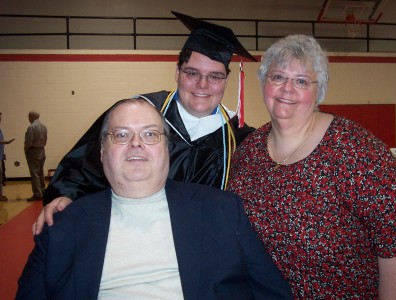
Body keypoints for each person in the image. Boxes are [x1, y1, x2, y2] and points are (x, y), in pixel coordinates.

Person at [16, 98, 293, 300]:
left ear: (167, 150)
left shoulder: (222, 210)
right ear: (101, 153)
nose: (136, 143)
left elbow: (273, 292)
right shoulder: (62, 226)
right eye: (121, 135)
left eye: (150, 134)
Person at [227, 35, 396, 299]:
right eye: (278, 77)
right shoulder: (248, 154)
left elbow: (395, 244)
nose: (287, 89)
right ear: (264, 82)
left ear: (320, 90)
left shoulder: (357, 151)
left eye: (301, 81)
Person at [34, 11, 255, 234]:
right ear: (177, 72)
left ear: (226, 80)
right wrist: (66, 196)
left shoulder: (240, 138)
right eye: (192, 73)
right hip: (128, 236)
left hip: (203, 250)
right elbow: (82, 167)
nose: (203, 85)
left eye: (215, 76)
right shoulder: (136, 114)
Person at [24, 111, 48, 202]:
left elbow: (28, 141)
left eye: (28, 116)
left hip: (33, 151)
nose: (28, 118)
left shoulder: (31, 127)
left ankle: (37, 194)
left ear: (31, 116)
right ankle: (43, 191)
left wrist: (26, 149)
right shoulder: (44, 127)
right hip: (42, 150)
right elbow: (45, 140)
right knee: (41, 172)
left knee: (34, 173)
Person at [0, 112, 15, 201]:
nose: (0, 120)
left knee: (2, 176)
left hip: (1, 156)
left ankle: (0, 194)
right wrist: (5, 142)